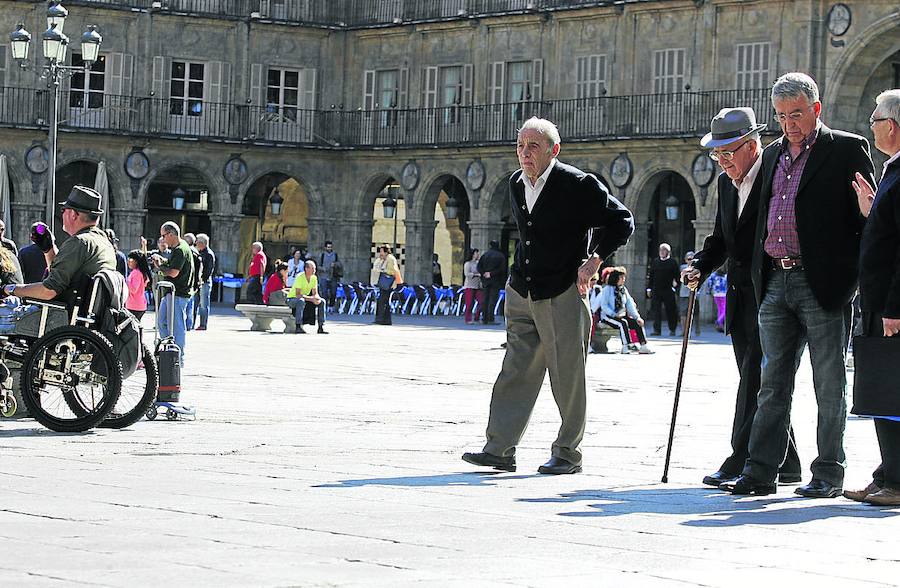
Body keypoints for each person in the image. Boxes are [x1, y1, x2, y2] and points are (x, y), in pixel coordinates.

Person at [721, 72, 876, 498]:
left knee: (828, 383)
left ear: (816, 110)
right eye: (782, 116)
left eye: (797, 114)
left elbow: (871, 219)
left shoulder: (846, 149)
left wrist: (853, 274)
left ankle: (828, 472)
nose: (789, 123)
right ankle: (760, 472)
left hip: (823, 283)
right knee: (772, 382)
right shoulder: (771, 155)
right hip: (775, 280)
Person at [462, 117, 634, 475]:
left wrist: (594, 261)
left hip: (562, 292)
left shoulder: (577, 184)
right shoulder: (514, 182)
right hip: (521, 289)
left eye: (533, 146)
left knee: (567, 375)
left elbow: (622, 221)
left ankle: (568, 453)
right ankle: (499, 449)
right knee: (515, 369)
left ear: (554, 150)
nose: (524, 153)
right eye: (521, 145)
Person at [686, 106, 801, 489]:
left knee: (755, 378)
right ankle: (788, 462)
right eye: (717, 154)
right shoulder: (724, 184)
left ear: (752, 145)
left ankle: (740, 459)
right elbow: (721, 239)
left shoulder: (774, 177)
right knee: (761, 380)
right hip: (740, 296)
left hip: (771, 294)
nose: (723, 161)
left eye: (729, 152)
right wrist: (701, 266)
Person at [844, 89, 900, 506]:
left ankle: (897, 481)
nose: (873, 126)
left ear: (893, 127)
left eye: (876, 120)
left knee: (891, 388)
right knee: (881, 388)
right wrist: (869, 210)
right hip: (879, 302)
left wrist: (896, 308)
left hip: (891, 307)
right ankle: (887, 473)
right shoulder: (892, 173)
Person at [2, 186, 116, 304]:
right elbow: (62, 277)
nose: (62, 215)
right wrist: (49, 250)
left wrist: (8, 289)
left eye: (63, 210)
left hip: (67, 316)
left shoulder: (79, 242)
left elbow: (49, 290)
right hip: (88, 315)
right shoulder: (103, 242)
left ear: (73, 214)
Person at [150, 221, 194, 364]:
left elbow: (174, 272)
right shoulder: (177, 249)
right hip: (170, 292)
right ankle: (168, 349)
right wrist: (162, 261)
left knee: (177, 326)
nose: (162, 239)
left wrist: (159, 266)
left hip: (178, 292)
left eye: (163, 236)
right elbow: (173, 265)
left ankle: (177, 358)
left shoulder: (181, 249)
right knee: (162, 321)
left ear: (171, 234)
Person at [596, 266, 652, 355]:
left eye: (624, 277)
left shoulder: (623, 289)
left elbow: (630, 304)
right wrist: (614, 314)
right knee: (623, 323)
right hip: (608, 317)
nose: (623, 279)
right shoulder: (607, 290)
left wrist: (637, 317)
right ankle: (626, 346)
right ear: (615, 278)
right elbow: (604, 306)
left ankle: (643, 345)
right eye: (621, 277)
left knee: (636, 323)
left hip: (621, 315)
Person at [287, 259, 328, 334]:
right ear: (306, 269)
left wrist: (316, 298)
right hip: (292, 299)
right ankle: (298, 326)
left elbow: (315, 292)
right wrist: (311, 299)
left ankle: (321, 327)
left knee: (322, 302)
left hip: (305, 298)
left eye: (315, 268)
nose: (314, 270)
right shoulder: (300, 277)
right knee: (301, 301)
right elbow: (298, 295)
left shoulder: (314, 278)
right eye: (312, 268)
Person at [647, 243, 679, 336]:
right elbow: (651, 276)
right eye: (661, 250)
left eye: (664, 250)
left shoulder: (673, 262)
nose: (662, 252)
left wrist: (676, 287)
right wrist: (649, 288)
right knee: (656, 310)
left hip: (668, 290)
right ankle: (657, 330)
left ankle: (672, 329)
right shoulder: (655, 261)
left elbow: (677, 276)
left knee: (671, 310)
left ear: (668, 252)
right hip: (656, 290)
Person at [477, 240, 506, 325]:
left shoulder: (485, 255)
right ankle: (490, 318)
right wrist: (492, 274)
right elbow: (502, 269)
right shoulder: (500, 256)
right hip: (495, 280)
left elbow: (479, 267)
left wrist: (484, 273)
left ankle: (484, 318)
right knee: (492, 299)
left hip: (486, 280)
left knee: (485, 299)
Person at [372, 245, 401, 325]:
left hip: (388, 283)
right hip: (383, 282)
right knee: (381, 300)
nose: (380, 253)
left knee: (384, 301)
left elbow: (393, 271)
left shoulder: (390, 259)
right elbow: (376, 266)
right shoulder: (383, 259)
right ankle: (381, 319)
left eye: (381, 251)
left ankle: (384, 320)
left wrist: (383, 270)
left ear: (386, 252)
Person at [195, 233, 215, 331]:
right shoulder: (200, 252)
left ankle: (203, 324)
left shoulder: (209, 254)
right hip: (198, 282)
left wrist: (202, 280)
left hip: (204, 282)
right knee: (195, 303)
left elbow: (208, 270)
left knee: (203, 304)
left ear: (202, 243)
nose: (195, 243)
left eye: (197, 242)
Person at [182, 232, 202, 330]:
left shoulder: (189, 252)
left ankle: (187, 324)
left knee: (187, 304)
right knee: (191, 304)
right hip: (195, 281)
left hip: (189, 281)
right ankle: (189, 324)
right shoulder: (196, 252)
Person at [125, 249, 151, 321]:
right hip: (139, 305)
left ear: (136, 261)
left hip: (134, 306)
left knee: (132, 329)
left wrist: (125, 281)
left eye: (131, 259)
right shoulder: (141, 273)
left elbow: (133, 289)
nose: (128, 261)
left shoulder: (136, 273)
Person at [678, 251, 700, 336]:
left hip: (695, 293)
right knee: (683, 313)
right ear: (685, 260)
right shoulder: (682, 268)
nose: (690, 261)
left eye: (692, 259)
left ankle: (697, 330)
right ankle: (684, 331)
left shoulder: (698, 268)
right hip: (684, 293)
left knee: (695, 313)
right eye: (689, 259)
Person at [316, 241, 340, 309]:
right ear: (325, 247)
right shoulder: (322, 255)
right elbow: (317, 266)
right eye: (328, 247)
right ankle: (324, 306)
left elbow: (340, 264)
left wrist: (335, 264)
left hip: (333, 276)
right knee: (324, 292)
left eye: (330, 247)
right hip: (324, 276)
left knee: (333, 292)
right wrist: (322, 269)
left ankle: (331, 306)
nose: (329, 248)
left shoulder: (335, 255)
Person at [463, 248, 483, 325]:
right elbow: (467, 274)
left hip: (478, 286)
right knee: (469, 303)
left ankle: (477, 317)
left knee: (481, 302)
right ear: (473, 254)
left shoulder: (478, 264)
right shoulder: (468, 264)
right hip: (470, 285)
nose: (478, 255)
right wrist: (476, 274)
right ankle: (468, 319)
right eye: (476, 253)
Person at [707, 268, 728, 332]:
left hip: (716, 293)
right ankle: (719, 321)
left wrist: (709, 291)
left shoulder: (713, 275)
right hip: (724, 293)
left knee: (720, 309)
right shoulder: (726, 275)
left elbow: (709, 283)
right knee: (725, 309)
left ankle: (720, 325)